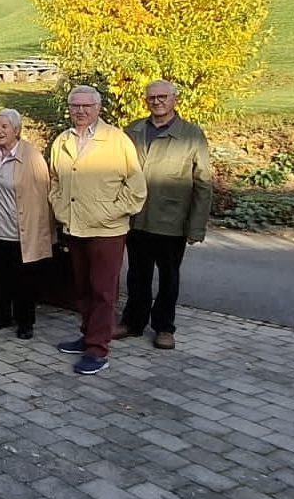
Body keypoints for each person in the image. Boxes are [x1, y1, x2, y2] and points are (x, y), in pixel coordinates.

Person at [49, 85, 147, 376]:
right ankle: (88, 334)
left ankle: (98, 349)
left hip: (107, 230)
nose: (80, 111)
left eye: (86, 106)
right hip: (74, 226)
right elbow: (55, 181)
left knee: (104, 291)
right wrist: (60, 209)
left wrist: (108, 213)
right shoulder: (62, 140)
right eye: (75, 106)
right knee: (81, 288)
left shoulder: (117, 140)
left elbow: (137, 188)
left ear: (98, 108)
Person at [118, 81, 213, 350]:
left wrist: (196, 227)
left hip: (172, 222)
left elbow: (203, 183)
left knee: (169, 277)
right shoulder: (133, 130)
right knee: (137, 275)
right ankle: (133, 322)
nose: (157, 101)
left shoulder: (192, 135)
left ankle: (164, 327)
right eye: (152, 97)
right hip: (136, 219)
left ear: (175, 100)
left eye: (162, 97)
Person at [0, 109, 53, 340]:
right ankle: (0, 317)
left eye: (4, 127)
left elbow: (43, 195)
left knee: (23, 281)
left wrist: (42, 233)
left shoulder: (31, 157)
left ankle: (25, 322)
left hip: (19, 231)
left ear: (17, 130)